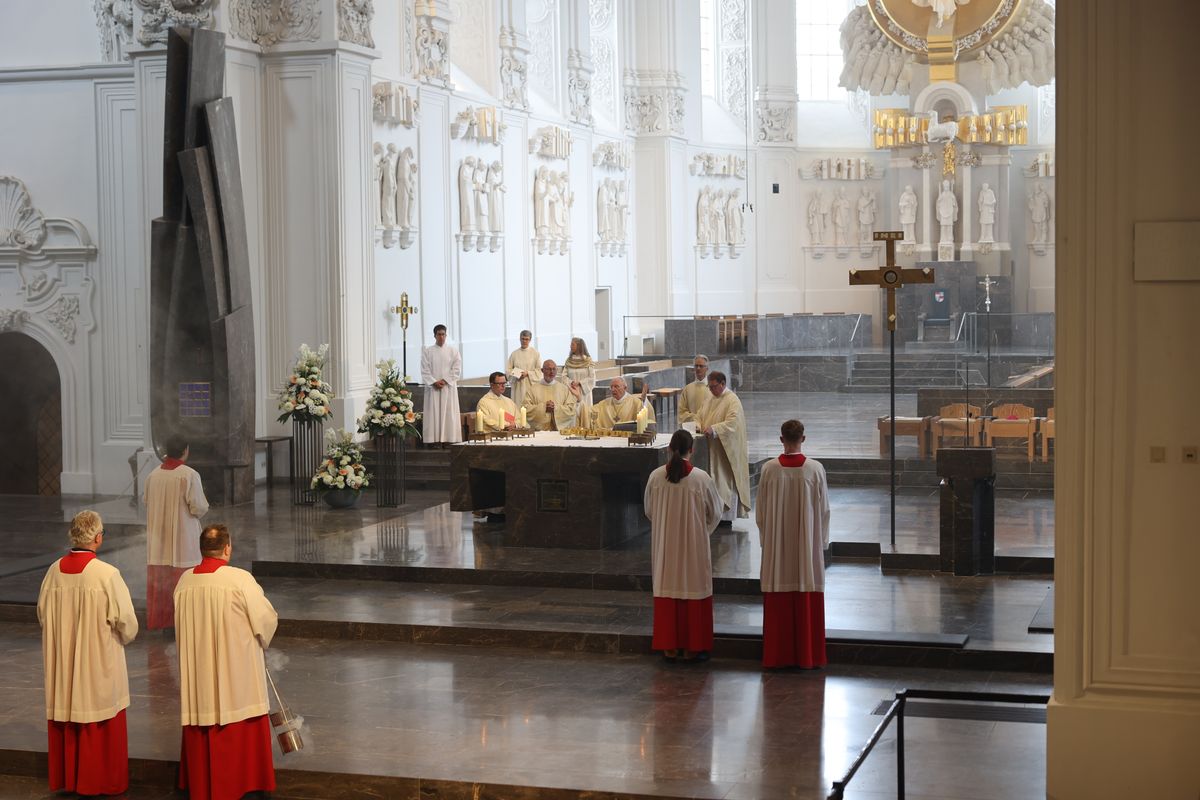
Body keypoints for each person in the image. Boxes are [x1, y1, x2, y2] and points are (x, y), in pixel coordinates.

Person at [174, 524, 279, 800]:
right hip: (236, 671)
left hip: (199, 671)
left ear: (201, 549)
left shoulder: (184, 582)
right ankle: (244, 786)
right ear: (227, 548)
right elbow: (266, 620)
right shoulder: (239, 579)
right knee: (239, 711)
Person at [38, 510, 138, 796]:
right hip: (97, 663)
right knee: (99, 713)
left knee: (69, 713)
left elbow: (42, 614)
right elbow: (128, 624)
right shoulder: (107, 575)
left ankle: (71, 779)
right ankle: (101, 780)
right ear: (98, 538)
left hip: (63, 665)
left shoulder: (53, 571)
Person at [755, 420, 831, 669]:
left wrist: (767, 540)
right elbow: (824, 511)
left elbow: (761, 512)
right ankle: (808, 655)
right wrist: (820, 544)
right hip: (806, 547)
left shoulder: (769, 470)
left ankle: (778, 656)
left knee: (779, 591)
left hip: (777, 547)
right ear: (803, 439)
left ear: (781, 439)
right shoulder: (815, 469)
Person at [643, 430, 722, 661]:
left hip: (666, 546)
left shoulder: (656, 477)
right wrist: (701, 531)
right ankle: (692, 647)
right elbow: (716, 513)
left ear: (669, 448)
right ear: (692, 450)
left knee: (668, 587)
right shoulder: (701, 479)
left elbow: (649, 510)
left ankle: (669, 646)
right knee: (693, 586)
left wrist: (665, 526)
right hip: (693, 546)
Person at [144, 436, 209, 630]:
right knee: (184, 579)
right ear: (185, 450)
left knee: (161, 580)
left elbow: (146, 501)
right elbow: (199, 507)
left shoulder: (153, 475)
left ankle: (164, 623)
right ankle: (185, 624)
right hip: (183, 538)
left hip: (159, 538)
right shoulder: (189, 475)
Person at [695, 371, 750, 522]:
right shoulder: (709, 398)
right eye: (709, 386)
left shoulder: (732, 400)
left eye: (714, 386)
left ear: (723, 384)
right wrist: (698, 425)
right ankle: (712, 514)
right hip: (710, 448)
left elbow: (733, 423)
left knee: (723, 480)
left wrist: (714, 429)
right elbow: (699, 415)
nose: (711, 390)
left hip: (724, 450)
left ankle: (725, 518)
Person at [420, 324, 463, 445]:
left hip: (448, 388)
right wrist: (434, 381)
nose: (441, 337)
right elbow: (425, 370)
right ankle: (434, 441)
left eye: (443, 334)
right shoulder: (428, 351)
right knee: (433, 414)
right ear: (434, 336)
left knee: (449, 414)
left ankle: (449, 439)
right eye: (439, 334)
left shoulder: (453, 351)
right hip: (433, 388)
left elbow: (456, 369)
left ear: (446, 335)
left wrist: (445, 381)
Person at [522, 360, 580, 431]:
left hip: (559, 432)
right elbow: (526, 409)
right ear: (542, 370)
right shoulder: (532, 389)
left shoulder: (564, 389)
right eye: (549, 369)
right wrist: (544, 407)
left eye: (554, 369)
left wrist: (555, 408)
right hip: (539, 432)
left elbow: (571, 409)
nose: (552, 372)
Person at [562, 337, 597, 423]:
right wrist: (571, 382)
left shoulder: (588, 361)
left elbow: (592, 378)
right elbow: (564, 376)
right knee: (573, 417)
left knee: (585, 415)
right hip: (571, 391)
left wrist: (580, 383)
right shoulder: (569, 361)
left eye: (572, 344)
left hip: (584, 393)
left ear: (579, 346)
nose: (570, 346)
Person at [506, 329, 541, 411]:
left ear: (530, 340)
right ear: (520, 338)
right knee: (518, 409)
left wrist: (528, 373)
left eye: (526, 339)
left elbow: (539, 371)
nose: (524, 341)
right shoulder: (514, 354)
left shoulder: (535, 353)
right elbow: (508, 370)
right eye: (522, 339)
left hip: (530, 387)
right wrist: (517, 374)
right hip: (518, 387)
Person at [678, 354, 711, 424]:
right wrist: (696, 418)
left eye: (701, 366)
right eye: (696, 366)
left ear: (707, 368)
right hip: (692, 426)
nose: (698, 368)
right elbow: (681, 412)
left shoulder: (713, 388)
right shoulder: (687, 389)